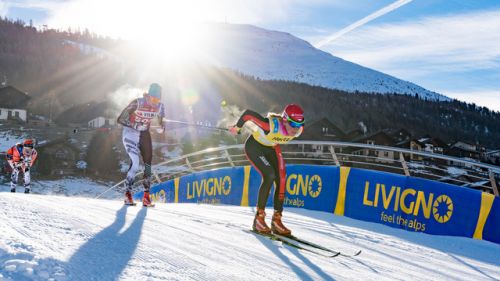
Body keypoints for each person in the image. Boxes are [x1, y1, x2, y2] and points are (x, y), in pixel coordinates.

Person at [229, 104, 305, 236]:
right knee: (269, 175)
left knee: (281, 178)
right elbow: (248, 113)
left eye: (300, 125)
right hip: (255, 147)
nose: (296, 129)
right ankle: (259, 218)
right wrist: (238, 127)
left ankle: (277, 220)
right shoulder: (269, 125)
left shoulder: (297, 128)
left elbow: (290, 131)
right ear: (285, 120)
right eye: (293, 125)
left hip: (271, 147)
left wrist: (296, 126)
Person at [117, 83, 166, 207]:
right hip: (130, 133)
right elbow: (121, 119)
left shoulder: (160, 106)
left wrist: (161, 128)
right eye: (153, 99)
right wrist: (134, 125)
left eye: (158, 99)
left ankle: (146, 196)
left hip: (144, 134)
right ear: (148, 96)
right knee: (135, 162)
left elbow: (161, 122)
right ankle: (128, 194)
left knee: (148, 164)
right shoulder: (137, 102)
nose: (155, 102)